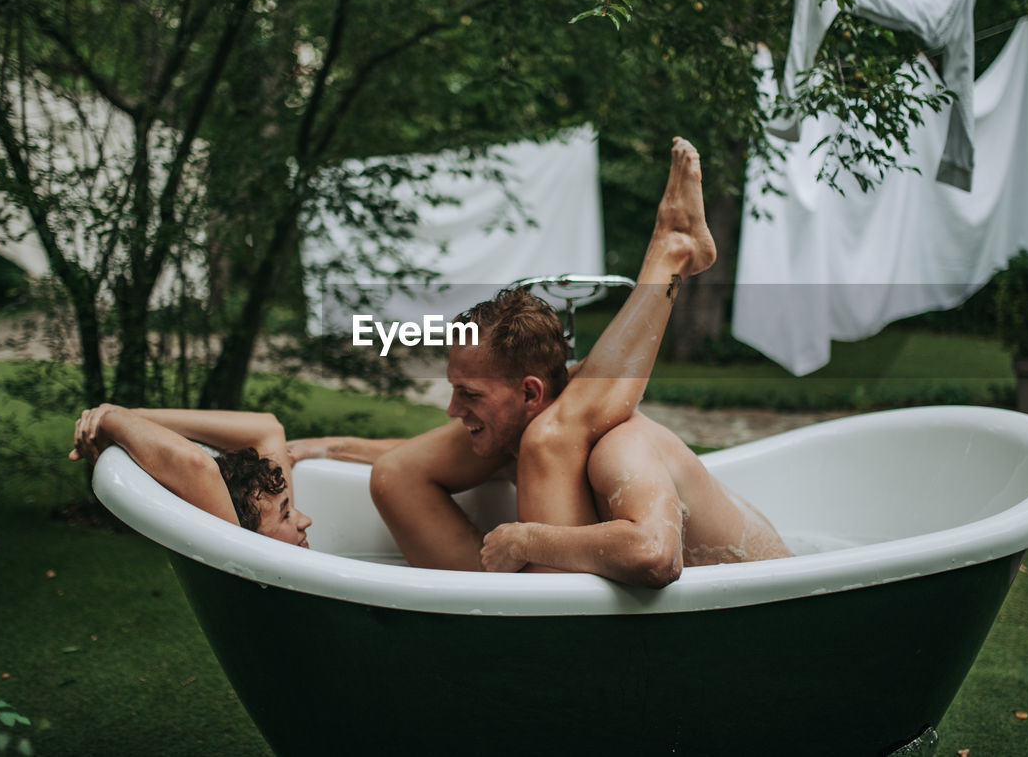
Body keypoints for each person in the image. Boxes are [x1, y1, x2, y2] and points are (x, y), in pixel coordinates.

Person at [301, 137, 790, 586]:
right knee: (396, 474)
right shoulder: (518, 434)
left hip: (775, 605)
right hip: (664, 622)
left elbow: (658, 555)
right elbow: (407, 455)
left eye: (470, 393)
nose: (452, 409)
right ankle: (495, 623)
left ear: (532, 393)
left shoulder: (621, 447)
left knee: (547, 441)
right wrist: (322, 447)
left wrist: (525, 539)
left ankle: (673, 249)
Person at [69, 406, 312, 546]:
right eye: (286, 514)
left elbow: (268, 428)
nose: (306, 521)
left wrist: (129, 414)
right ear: (241, 531)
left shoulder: (271, 533)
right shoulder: (241, 553)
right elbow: (195, 465)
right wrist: (110, 421)